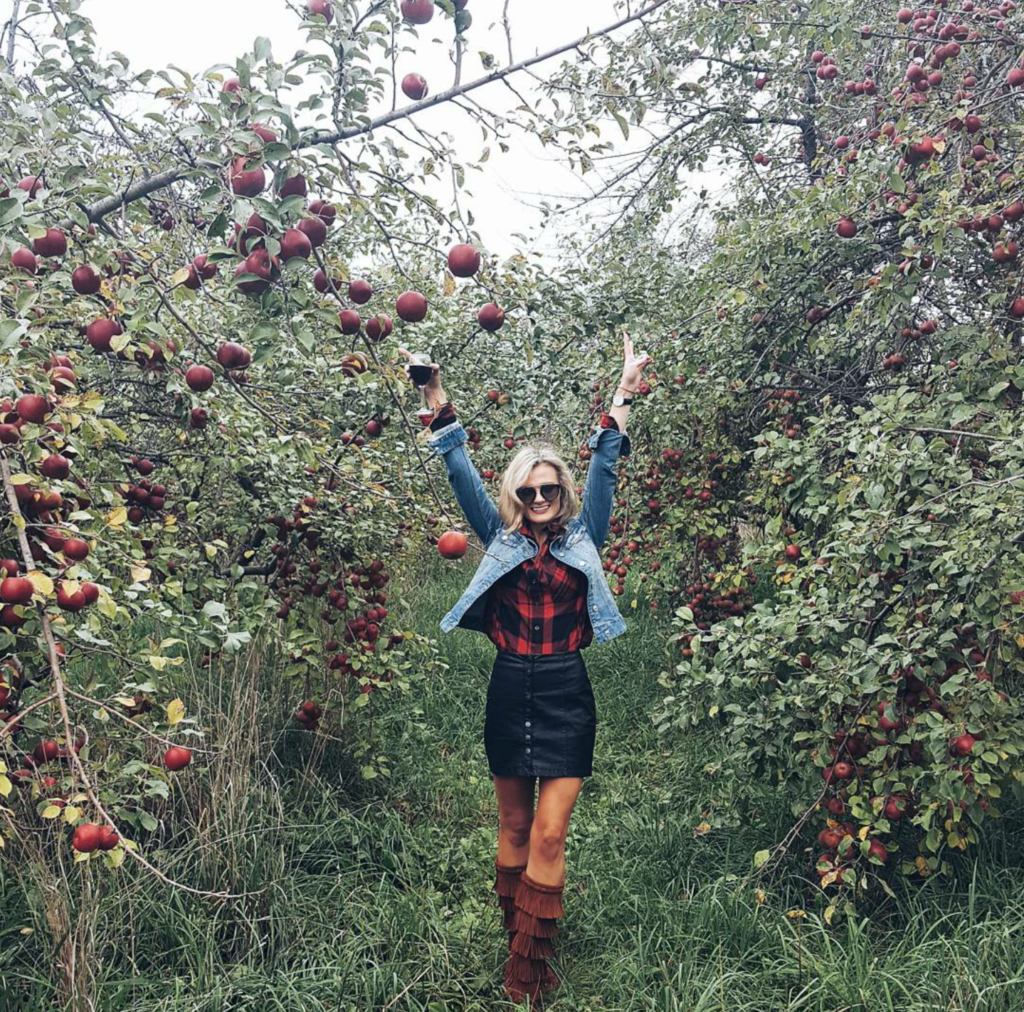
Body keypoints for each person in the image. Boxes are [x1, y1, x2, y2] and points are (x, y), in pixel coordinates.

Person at [398, 334, 651, 1007]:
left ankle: (527, 972)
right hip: (511, 686)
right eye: (529, 488)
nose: (540, 495)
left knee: (548, 829)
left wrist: (624, 390)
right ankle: (522, 933)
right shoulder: (500, 535)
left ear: (561, 492)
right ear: (517, 493)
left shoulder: (584, 533)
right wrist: (434, 395)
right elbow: (459, 471)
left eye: (549, 487)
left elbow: (606, 464)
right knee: (511, 827)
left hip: (567, 687)